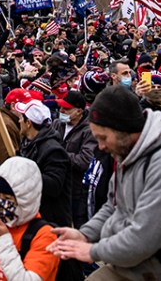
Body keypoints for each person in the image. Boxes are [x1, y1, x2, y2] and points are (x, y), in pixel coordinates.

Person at [48, 84, 161, 279]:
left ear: (123, 129)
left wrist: (92, 251)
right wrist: (85, 234)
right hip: (135, 265)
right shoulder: (128, 153)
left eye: (104, 137)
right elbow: (113, 205)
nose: (101, 146)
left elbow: (144, 239)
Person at [0, 157, 62, 281]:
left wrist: (2, 240)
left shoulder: (45, 236)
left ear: (26, 200)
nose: (1, 203)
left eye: (8, 198)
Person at [15, 99, 72, 227]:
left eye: (21, 118)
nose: (19, 121)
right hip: (34, 218)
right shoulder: (28, 144)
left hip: (50, 223)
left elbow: (54, 186)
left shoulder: (53, 150)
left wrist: (25, 172)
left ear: (28, 123)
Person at [53, 92, 97, 228]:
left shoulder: (89, 130)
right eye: (61, 108)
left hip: (76, 190)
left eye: (66, 109)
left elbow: (85, 160)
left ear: (79, 111)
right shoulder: (57, 124)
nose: (61, 111)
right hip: (58, 187)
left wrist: (59, 155)